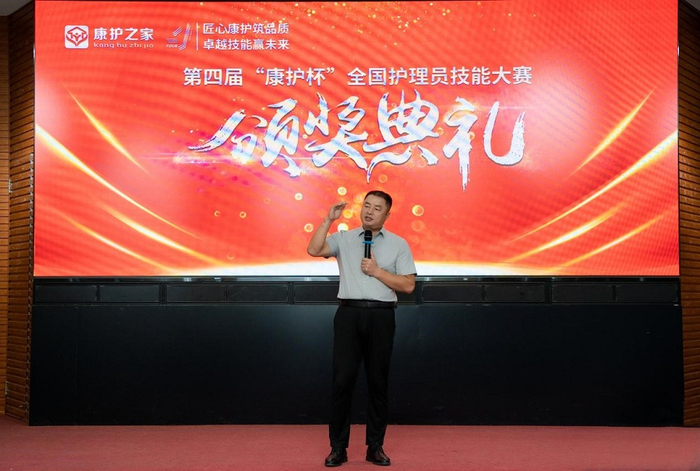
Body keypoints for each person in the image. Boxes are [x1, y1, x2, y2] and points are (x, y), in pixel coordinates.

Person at [307, 190, 417, 467]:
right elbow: (314, 250)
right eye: (366, 206)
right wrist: (328, 220)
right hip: (349, 314)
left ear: (387, 215)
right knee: (342, 381)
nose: (369, 211)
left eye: (377, 208)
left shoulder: (399, 244)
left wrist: (377, 271)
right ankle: (338, 448)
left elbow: (408, 285)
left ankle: (375, 447)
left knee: (378, 383)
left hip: (381, 316)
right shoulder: (343, 239)